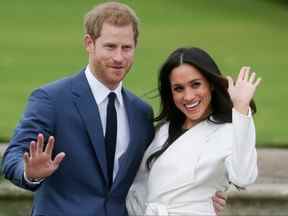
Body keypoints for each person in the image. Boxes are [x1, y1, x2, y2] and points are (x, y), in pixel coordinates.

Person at [1, 2, 225, 216]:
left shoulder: (141, 112)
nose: (119, 57)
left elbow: (152, 173)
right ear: (89, 43)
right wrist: (29, 173)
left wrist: (198, 195)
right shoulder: (51, 99)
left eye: (126, 48)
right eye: (110, 47)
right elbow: (12, 158)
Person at [126, 47, 260, 216]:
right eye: (178, 88)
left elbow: (244, 177)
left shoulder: (229, 131)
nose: (188, 96)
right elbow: (141, 186)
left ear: (210, 83)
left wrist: (240, 107)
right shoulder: (163, 130)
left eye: (196, 84)